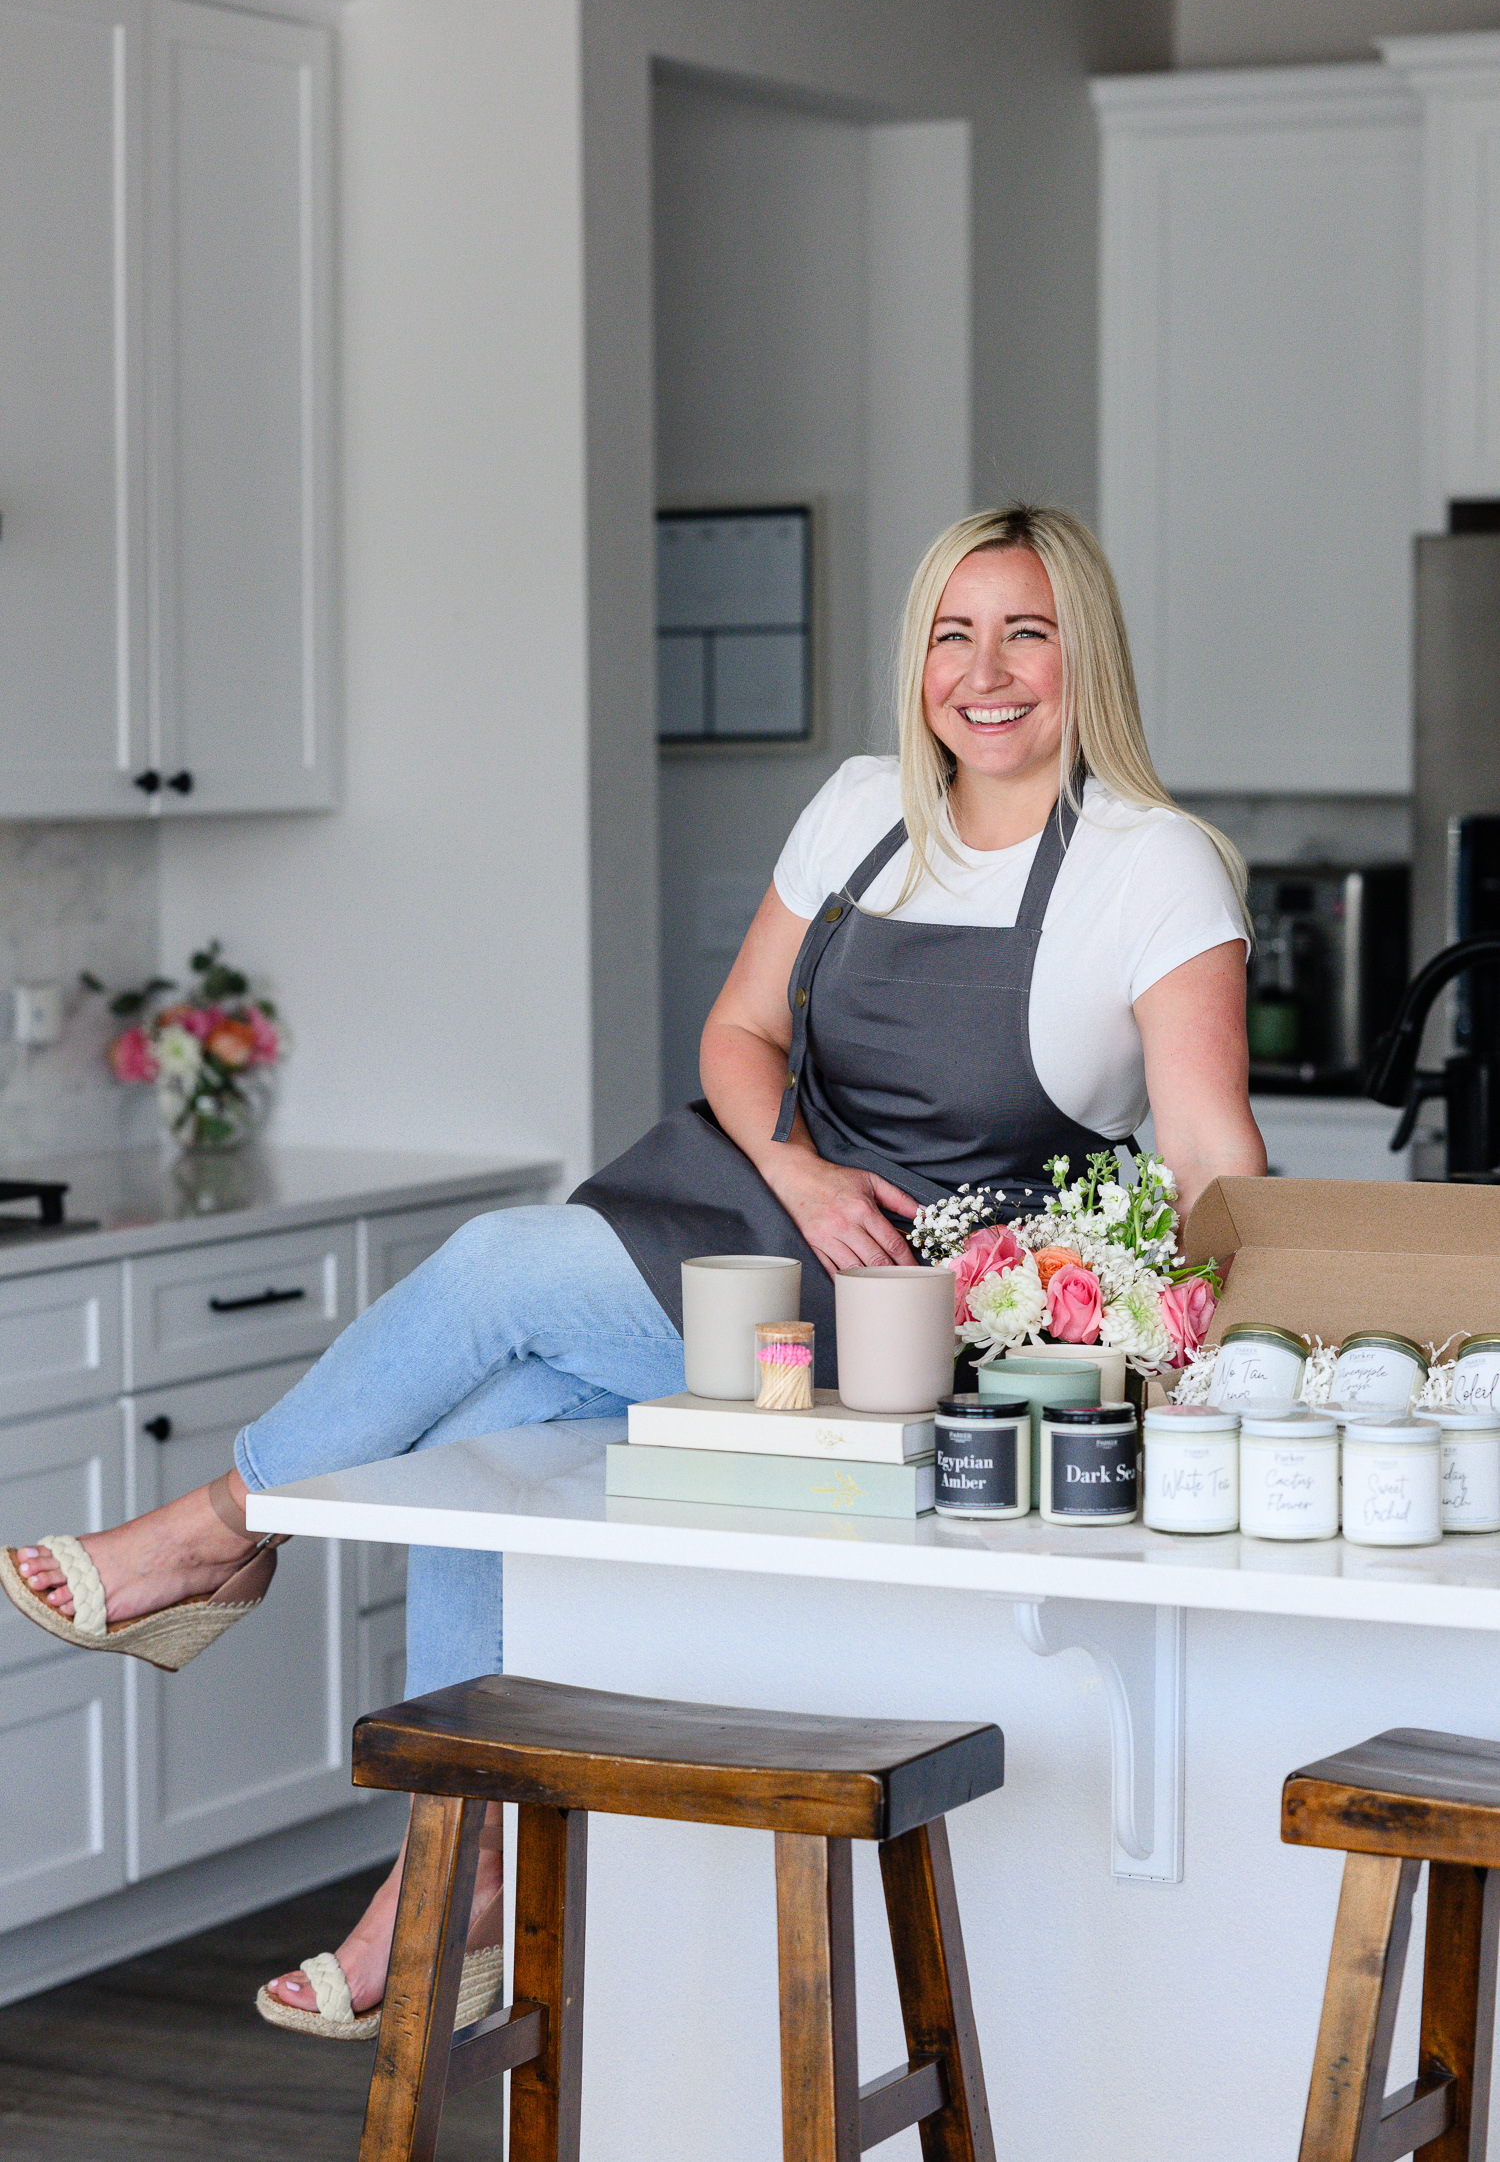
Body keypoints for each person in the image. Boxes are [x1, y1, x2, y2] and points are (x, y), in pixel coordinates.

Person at [2, 503, 1266, 2031]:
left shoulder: (1155, 867)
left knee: (495, 1264)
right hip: (764, 1206)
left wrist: (1247, 1356)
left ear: (1088, 655)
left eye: (1027, 632)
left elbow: (1206, 1153)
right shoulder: (865, 807)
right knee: (487, 1435)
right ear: (918, 655)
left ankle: (216, 1532)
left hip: (926, 1307)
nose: (985, 673)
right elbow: (740, 1034)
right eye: (953, 631)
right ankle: (457, 1868)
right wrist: (794, 1165)